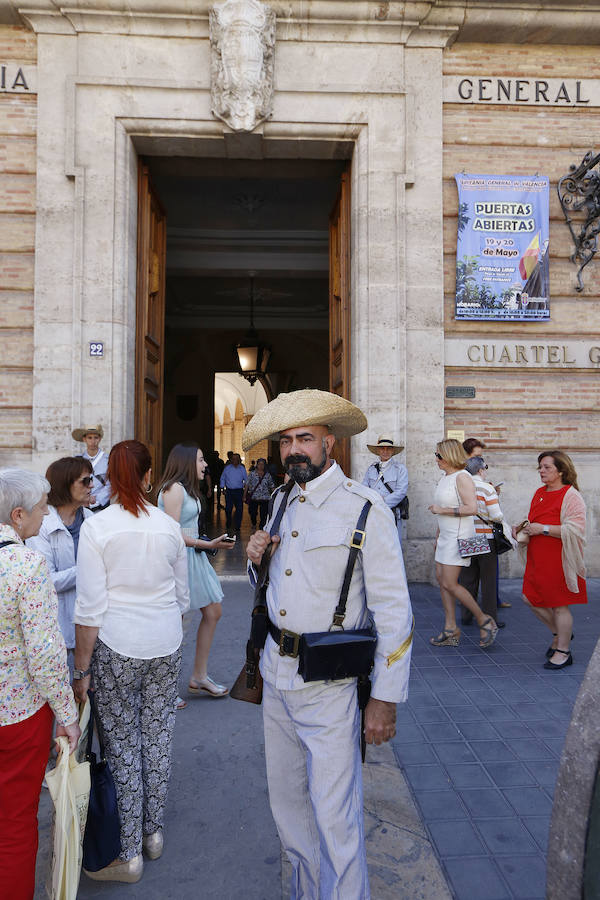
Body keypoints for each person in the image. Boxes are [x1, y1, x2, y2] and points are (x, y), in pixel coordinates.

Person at [243, 389, 413, 900]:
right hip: (276, 675)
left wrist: (384, 699)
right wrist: (257, 559)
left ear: (329, 444)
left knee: (335, 817)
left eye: (305, 439)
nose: (294, 449)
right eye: (286, 441)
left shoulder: (366, 509)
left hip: (332, 686)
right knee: (288, 810)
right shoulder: (279, 500)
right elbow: (281, 584)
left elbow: (394, 610)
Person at [73, 440, 190, 883]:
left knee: (121, 743)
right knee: (159, 734)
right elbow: (182, 597)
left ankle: (128, 851)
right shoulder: (166, 527)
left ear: (110, 478)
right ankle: (153, 834)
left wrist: (81, 670)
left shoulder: (98, 529)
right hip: (165, 641)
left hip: (117, 644)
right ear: (146, 476)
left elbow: (89, 610)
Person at [0, 468, 80, 900]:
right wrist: (68, 716)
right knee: (14, 825)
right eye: (40, 507)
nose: (46, 513)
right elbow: (47, 657)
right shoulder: (26, 566)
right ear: (18, 516)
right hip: (17, 718)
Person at [158, 443, 234, 699]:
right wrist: (207, 544)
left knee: (213, 611)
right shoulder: (173, 489)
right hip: (179, 558)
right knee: (175, 624)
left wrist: (207, 543)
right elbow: (172, 533)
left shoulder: (187, 489)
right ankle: (165, 687)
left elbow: (186, 530)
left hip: (194, 556)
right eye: (201, 460)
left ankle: (199, 676)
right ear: (186, 462)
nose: (205, 465)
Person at [514, 450, 587, 670]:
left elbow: (577, 530)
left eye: (547, 467)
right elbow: (535, 520)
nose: (541, 471)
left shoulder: (571, 495)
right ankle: (559, 632)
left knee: (559, 606)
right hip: (538, 556)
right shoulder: (539, 492)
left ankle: (563, 650)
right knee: (529, 597)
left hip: (560, 558)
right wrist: (524, 527)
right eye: (540, 467)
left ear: (561, 471)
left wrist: (543, 529)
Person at [428, 439, 499, 650]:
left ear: (449, 456)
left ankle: (484, 620)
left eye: (439, 455)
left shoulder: (463, 477)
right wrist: (438, 535)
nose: (436, 459)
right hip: (447, 536)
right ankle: (451, 629)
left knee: (450, 583)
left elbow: (471, 508)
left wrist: (442, 511)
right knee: (442, 581)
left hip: (462, 537)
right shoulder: (445, 478)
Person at [27, 456, 94, 670]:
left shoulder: (93, 520)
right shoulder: (43, 525)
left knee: (92, 692)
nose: (91, 485)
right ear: (66, 484)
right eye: (85, 480)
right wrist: (91, 569)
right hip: (57, 623)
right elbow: (47, 579)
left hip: (93, 620)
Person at [458, 456, 509, 629]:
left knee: (468, 579)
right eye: (485, 468)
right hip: (486, 539)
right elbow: (496, 515)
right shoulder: (487, 489)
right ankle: (490, 618)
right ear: (480, 470)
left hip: (467, 537)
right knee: (488, 581)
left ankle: (466, 615)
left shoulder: (461, 487)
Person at [362, 435, 408, 545]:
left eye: (388, 448)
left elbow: (401, 492)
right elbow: (364, 488)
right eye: (382, 448)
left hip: (390, 512)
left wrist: (381, 503)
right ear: (378, 450)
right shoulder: (371, 468)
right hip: (373, 512)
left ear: (393, 450)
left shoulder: (400, 469)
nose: (385, 451)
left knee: (392, 544)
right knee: (374, 544)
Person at [72, 424, 111, 511]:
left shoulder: (108, 459)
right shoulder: (79, 460)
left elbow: (111, 484)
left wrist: (98, 498)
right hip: (82, 504)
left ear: (100, 439)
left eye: (96, 437)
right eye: (89, 438)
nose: (93, 441)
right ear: (84, 439)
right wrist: (83, 497)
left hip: (101, 506)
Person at [243, 457, 275, 530]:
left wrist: (275, 495)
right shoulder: (252, 474)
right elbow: (247, 485)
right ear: (257, 465)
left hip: (265, 497)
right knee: (252, 512)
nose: (261, 466)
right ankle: (254, 523)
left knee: (263, 514)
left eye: (262, 464)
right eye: (259, 464)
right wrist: (244, 496)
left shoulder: (267, 475)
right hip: (254, 497)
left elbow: (271, 486)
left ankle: (261, 527)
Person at [219, 452, 247, 533]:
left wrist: (246, 490)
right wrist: (222, 487)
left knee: (239, 509)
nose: (235, 460)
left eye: (236, 459)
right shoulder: (227, 468)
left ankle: (237, 526)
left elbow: (246, 480)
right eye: (233, 459)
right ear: (231, 460)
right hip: (229, 491)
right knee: (228, 509)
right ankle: (229, 522)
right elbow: (223, 478)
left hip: (239, 491)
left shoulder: (242, 468)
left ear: (239, 460)